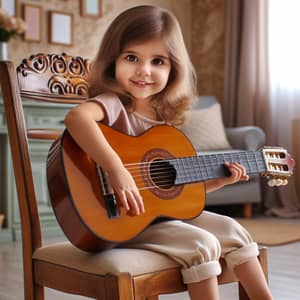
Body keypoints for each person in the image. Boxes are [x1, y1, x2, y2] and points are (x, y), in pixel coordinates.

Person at [64, 5, 273, 300]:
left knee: (234, 230)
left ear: (173, 69)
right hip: (122, 222)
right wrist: (116, 169)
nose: (144, 70)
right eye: (132, 57)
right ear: (113, 60)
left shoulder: (162, 123)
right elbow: (76, 118)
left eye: (158, 61)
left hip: (158, 219)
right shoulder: (113, 104)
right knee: (201, 244)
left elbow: (175, 193)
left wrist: (219, 182)